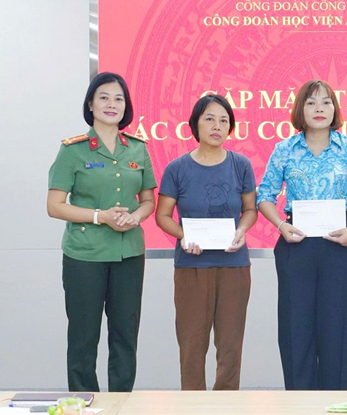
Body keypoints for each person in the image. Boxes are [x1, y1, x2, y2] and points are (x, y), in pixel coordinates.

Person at [257, 80, 347, 390]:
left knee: (337, 328)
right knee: (296, 328)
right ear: (301, 109)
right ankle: (299, 403)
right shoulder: (285, 149)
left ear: (335, 109)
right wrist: (280, 225)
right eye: (311, 102)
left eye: (326, 102)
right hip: (296, 242)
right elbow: (264, 196)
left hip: (342, 243)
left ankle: (333, 402)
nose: (319, 108)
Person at [47, 72, 157, 392]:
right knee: (83, 337)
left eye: (119, 99)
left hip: (129, 254)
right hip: (85, 254)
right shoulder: (73, 150)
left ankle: (121, 403)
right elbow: (55, 206)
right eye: (104, 97)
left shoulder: (137, 149)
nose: (112, 104)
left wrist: (135, 216)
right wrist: (101, 217)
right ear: (91, 105)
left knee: (125, 336)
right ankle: (85, 405)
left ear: (126, 106)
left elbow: (148, 200)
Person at [155, 94, 257, 390]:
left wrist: (242, 230)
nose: (217, 126)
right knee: (191, 344)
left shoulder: (241, 165)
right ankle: (193, 405)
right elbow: (163, 215)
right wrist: (183, 236)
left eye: (224, 120)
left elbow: (250, 209)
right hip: (192, 266)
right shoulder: (177, 168)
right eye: (209, 119)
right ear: (195, 124)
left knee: (230, 345)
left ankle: (226, 405)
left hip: (234, 265)